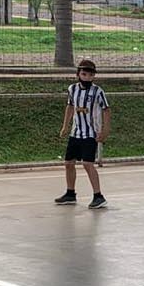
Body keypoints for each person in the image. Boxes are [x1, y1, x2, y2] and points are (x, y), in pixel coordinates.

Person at [55, 60, 110, 209]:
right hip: (76, 133)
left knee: (87, 163)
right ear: (78, 74)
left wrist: (105, 130)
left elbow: (106, 110)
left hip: (90, 133)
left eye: (90, 75)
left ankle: (98, 195)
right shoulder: (72, 89)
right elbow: (70, 106)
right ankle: (70, 193)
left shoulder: (98, 92)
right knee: (68, 163)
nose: (87, 77)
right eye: (84, 74)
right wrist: (65, 126)